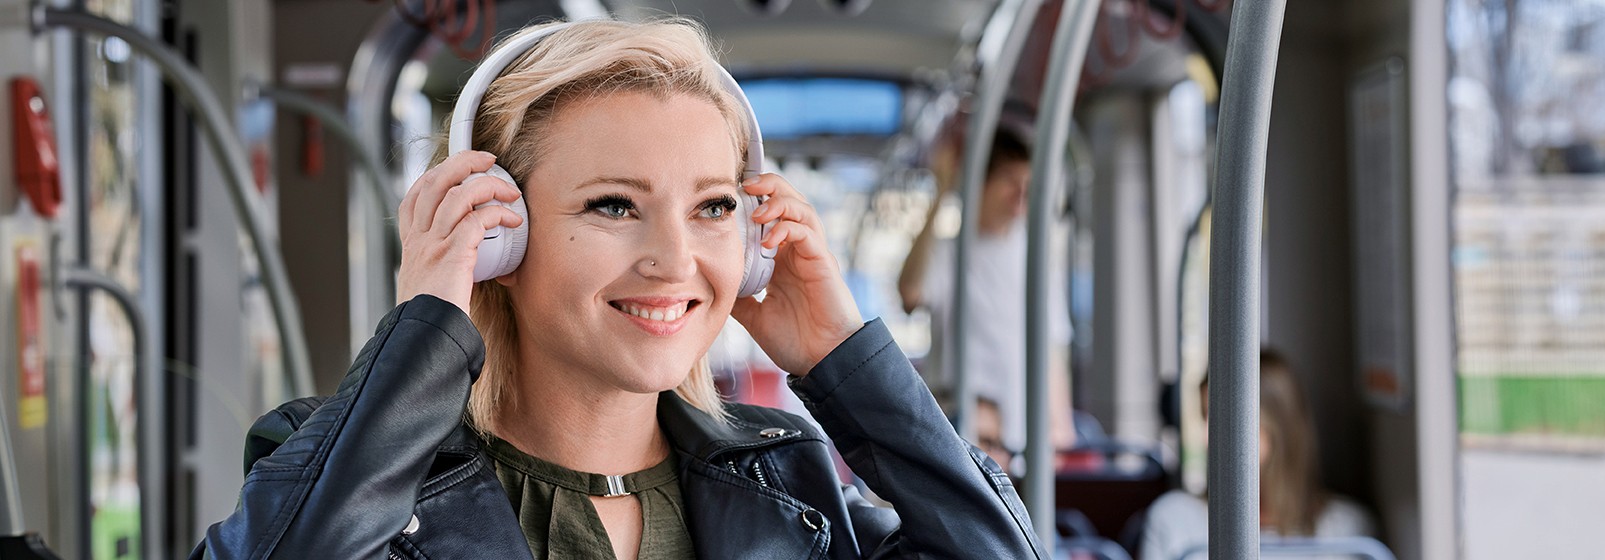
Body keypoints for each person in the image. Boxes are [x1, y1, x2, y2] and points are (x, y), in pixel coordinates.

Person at [188, 18, 1042, 559]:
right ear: (498, 233)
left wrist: (845, 358)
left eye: (712, 207)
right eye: (612, 205)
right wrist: (428, 322)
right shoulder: (348, 469)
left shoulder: (795, 487)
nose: (674, 258)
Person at [895, 123, 1075, 462]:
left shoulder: (1036, 254)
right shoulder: (950, 253)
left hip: (1022, 435)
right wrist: (942, 192)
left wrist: (1060, 428)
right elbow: (910, 293)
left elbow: (1050, 345)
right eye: (1009, 181)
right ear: (980, 183)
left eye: (1027, 184)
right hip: (960, 429)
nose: (1020, 194)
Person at [1138, 350, 1377, 560]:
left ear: (1276, 426)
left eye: (1225, 420)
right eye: (1205, 418)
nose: (1205, 438)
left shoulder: (1346, 530)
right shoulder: (1174, 521)